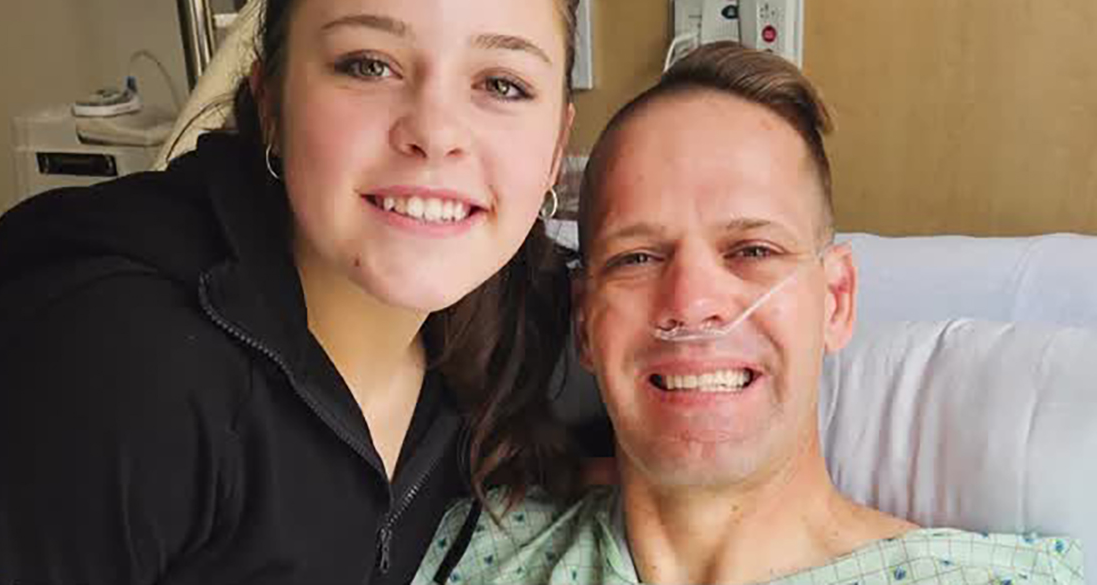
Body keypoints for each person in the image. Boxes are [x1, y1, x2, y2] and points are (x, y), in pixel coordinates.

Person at [0, 0, 585, 583]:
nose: (435, 130)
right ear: (270, 102)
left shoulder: (522, 327)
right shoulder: (118, 373)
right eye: (369, 63)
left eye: (503, 83)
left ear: (556, 147)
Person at [411, 43, 1084, 585]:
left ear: (837, 300)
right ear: (585, 321)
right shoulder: (467, 546)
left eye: (753, 249)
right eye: (639, 257)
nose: (692, 305)